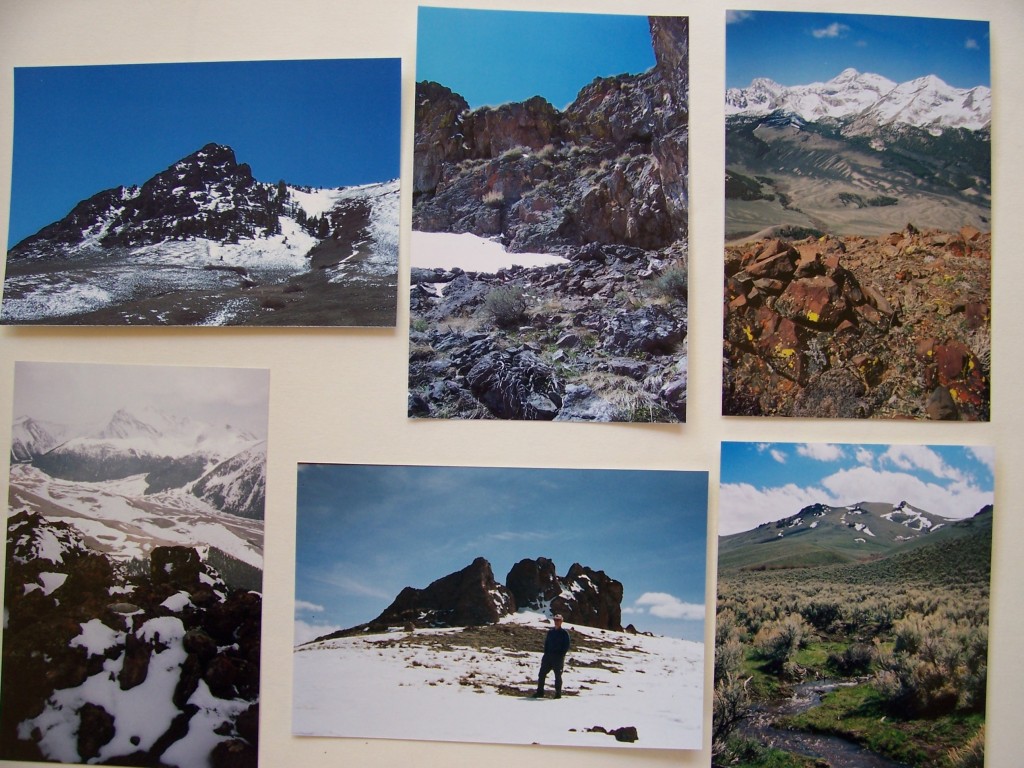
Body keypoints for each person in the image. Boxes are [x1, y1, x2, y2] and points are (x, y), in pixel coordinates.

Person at [532, 614, 570, 699]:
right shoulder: (550, 632)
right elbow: (546, 644)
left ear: (561, 621)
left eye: (558, 620)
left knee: (557, 675)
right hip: (548, 657)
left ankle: (558, 694)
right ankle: (540, 692)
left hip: (558, 658)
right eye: (555, 620)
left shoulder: (564, 633)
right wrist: (546, 654)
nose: (556, 622)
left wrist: (561, 655)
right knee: (541, 674)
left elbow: (566, 645)